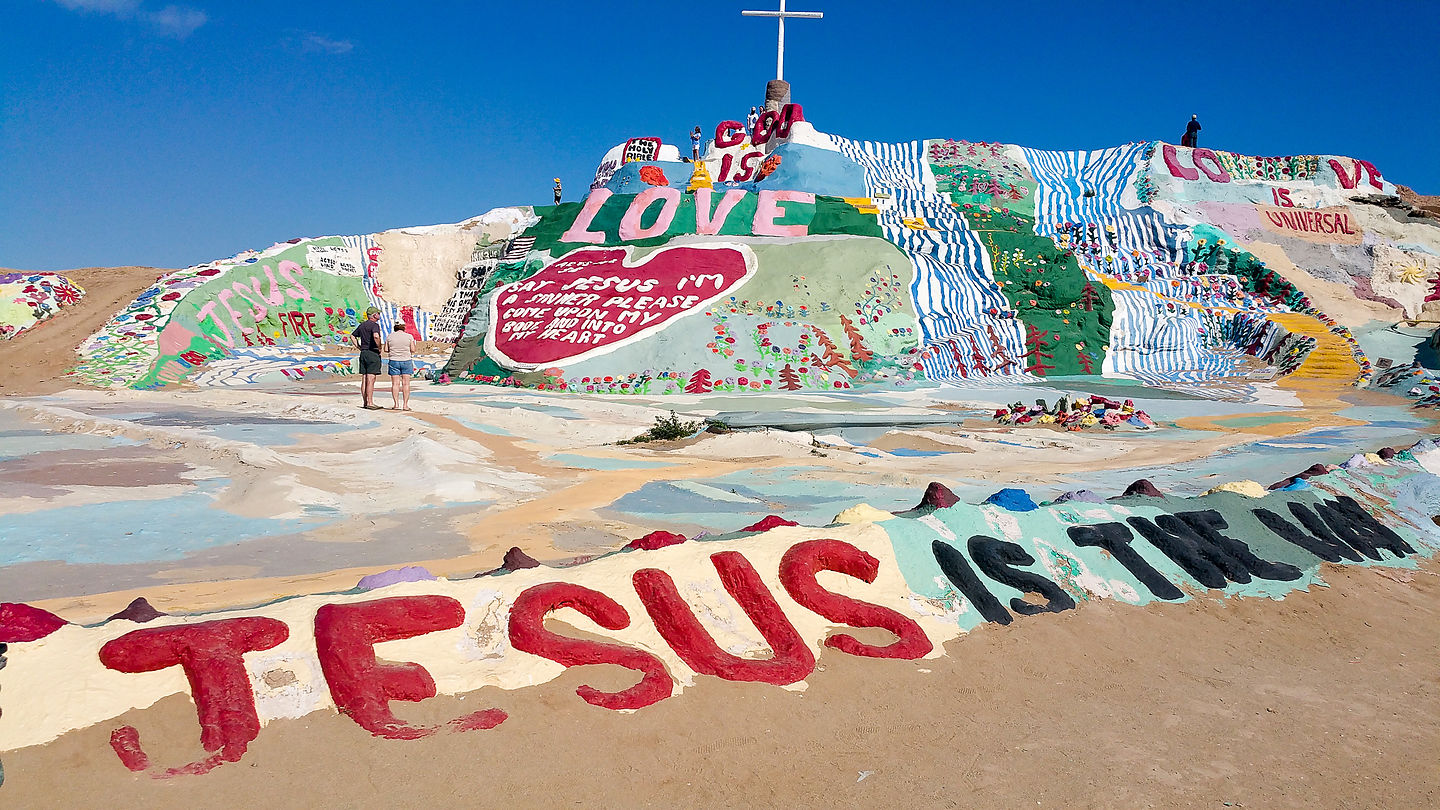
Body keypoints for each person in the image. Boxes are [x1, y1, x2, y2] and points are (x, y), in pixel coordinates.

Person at [351, 307, 384, 410]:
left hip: (364, 352)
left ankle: (365, 401)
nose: (379, 315)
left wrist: (358, 346)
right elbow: (376, 336)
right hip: (372, 352)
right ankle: (370, 402)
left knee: (364, 378)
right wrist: (379, 347)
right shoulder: (374, 325)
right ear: (374, 315)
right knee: (371, 378)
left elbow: (352, 336)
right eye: (378, 313)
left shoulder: (362, 325)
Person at [385, 323, 417, 411]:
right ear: (404, 327)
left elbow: (386, 349)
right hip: (406, 360)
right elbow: (413, 349)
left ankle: (396, 404)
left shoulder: (389, 336)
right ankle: (405, 405)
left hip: (394, 360)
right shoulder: (409, 336)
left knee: (395, 384)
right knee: (406, 384)